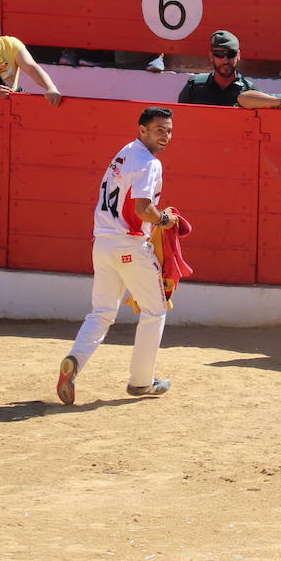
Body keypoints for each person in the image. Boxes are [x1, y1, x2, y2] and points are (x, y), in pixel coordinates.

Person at [57, 105, 179, 405]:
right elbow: (142, 209)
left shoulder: (124, 152)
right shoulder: (149, 163)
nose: (165, 136)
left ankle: (76, 359)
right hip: (130, 245)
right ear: (142, 130)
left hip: (103, 243)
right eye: (159, 130)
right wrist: (164, 219)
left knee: (101, 312)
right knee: (155, 310)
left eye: (169, 131)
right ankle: (141, 382)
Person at [177, 30, 256, 105]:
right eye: (219, 54)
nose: (225, 61)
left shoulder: (250, 93)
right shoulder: (193, 88)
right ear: (211, 56)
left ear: (238, 55)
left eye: (231, 54)